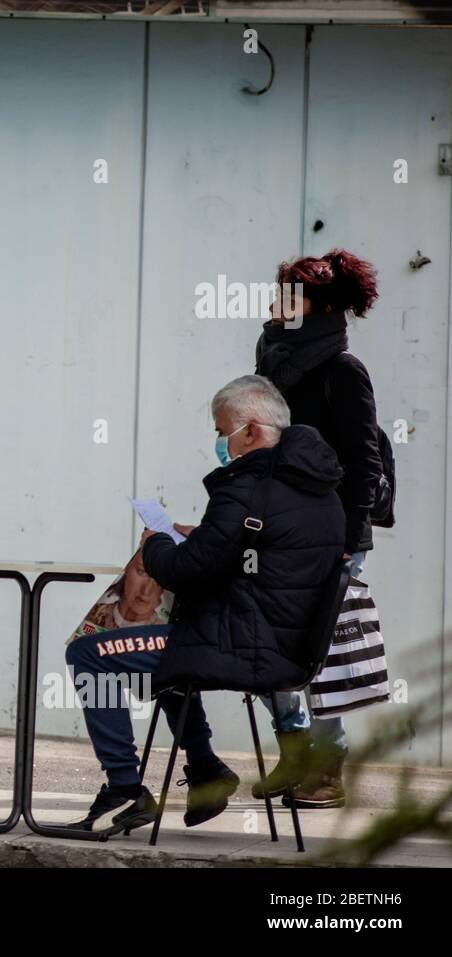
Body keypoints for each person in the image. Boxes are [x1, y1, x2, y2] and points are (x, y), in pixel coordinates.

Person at [64, 375, 345, 833]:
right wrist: (201, 538)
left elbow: (184, 571)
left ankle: (124, 787)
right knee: (174, 649)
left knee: (89, 653)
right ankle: (205, 767)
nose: (220, 443)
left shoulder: (246, 488)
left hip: (246, 647)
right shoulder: (319, 491)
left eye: (222, 432)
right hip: (287, 649)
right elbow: (264, 554)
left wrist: (156, 543)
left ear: (251, 430)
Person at [252, 249, 384, 809]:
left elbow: (365, 463)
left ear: (321, 306)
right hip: (272, 527)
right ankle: (294, 750)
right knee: (257, 638)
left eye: (291, 293)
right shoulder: (272, 359)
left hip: (329, 534)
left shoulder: (343, 371)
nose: (278, 302)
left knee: (319, 654)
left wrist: (349, 546)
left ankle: (327, 769)